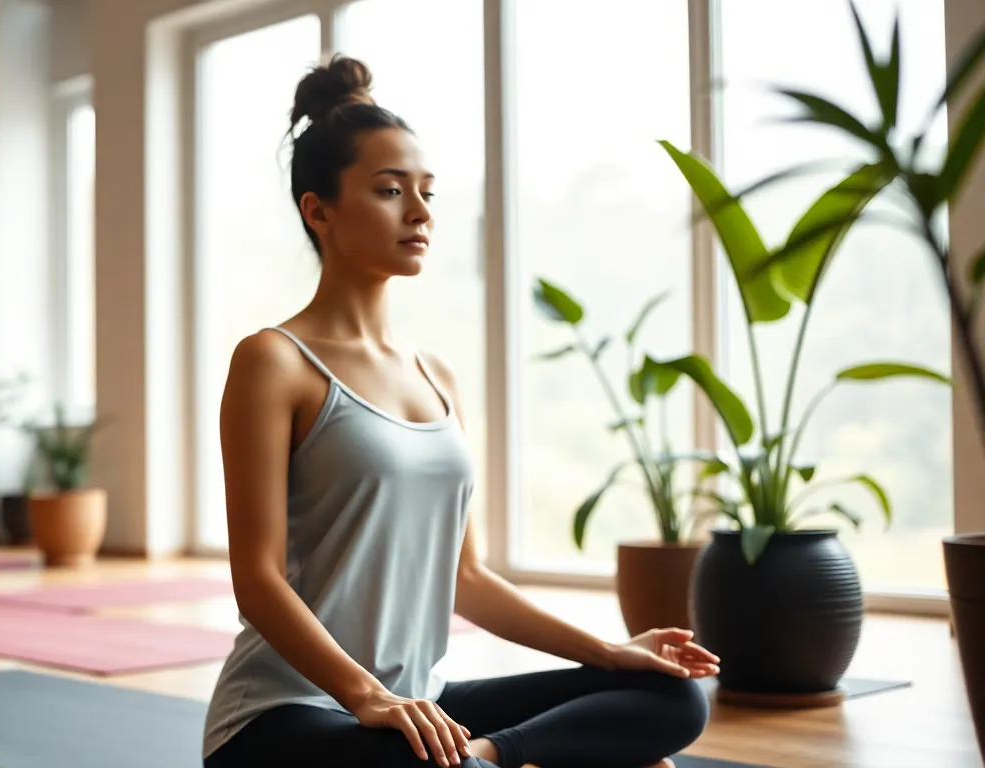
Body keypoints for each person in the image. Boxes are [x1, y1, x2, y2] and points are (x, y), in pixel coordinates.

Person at [200, 54, 718, 768]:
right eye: (388, 191)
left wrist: (609, 651)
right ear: (317, 210)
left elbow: (465, 579)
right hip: (284, 717)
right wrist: (365, 696)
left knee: (672, 697)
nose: (418, 213)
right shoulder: (273, 361)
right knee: (437, 757)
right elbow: (256, 581)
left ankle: (489, 759)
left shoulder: (435, 374)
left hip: (423, 708)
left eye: (427, 193)